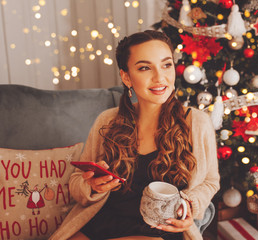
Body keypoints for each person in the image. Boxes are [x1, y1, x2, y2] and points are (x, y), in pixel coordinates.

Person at [50, 30, 220, 240]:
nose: (160, 77)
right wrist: (92, 186)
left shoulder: (196, 122)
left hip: (160, 228)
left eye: (166, 65)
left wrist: (189, 205)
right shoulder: (107, 121)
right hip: (104, 222)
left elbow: (211, 181)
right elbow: (77, 181)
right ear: (126, 77)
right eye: (145, 68)